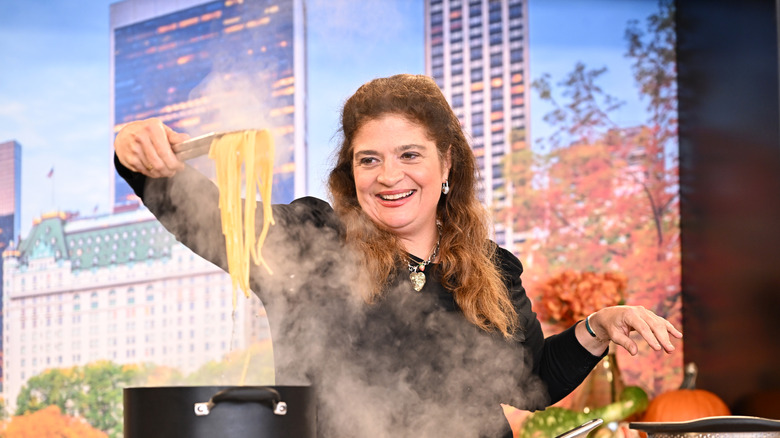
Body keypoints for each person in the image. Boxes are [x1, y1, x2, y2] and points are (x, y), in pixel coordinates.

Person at [114, 74, 682, 437]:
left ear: (446, 164)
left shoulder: (491, 266)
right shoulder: (309, 241)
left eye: (409, 154)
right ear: (350, 170)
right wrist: (138, 156)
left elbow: (529, 383)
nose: (389, 177)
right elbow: (210, 217)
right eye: (368, 159)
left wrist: (598, 327)